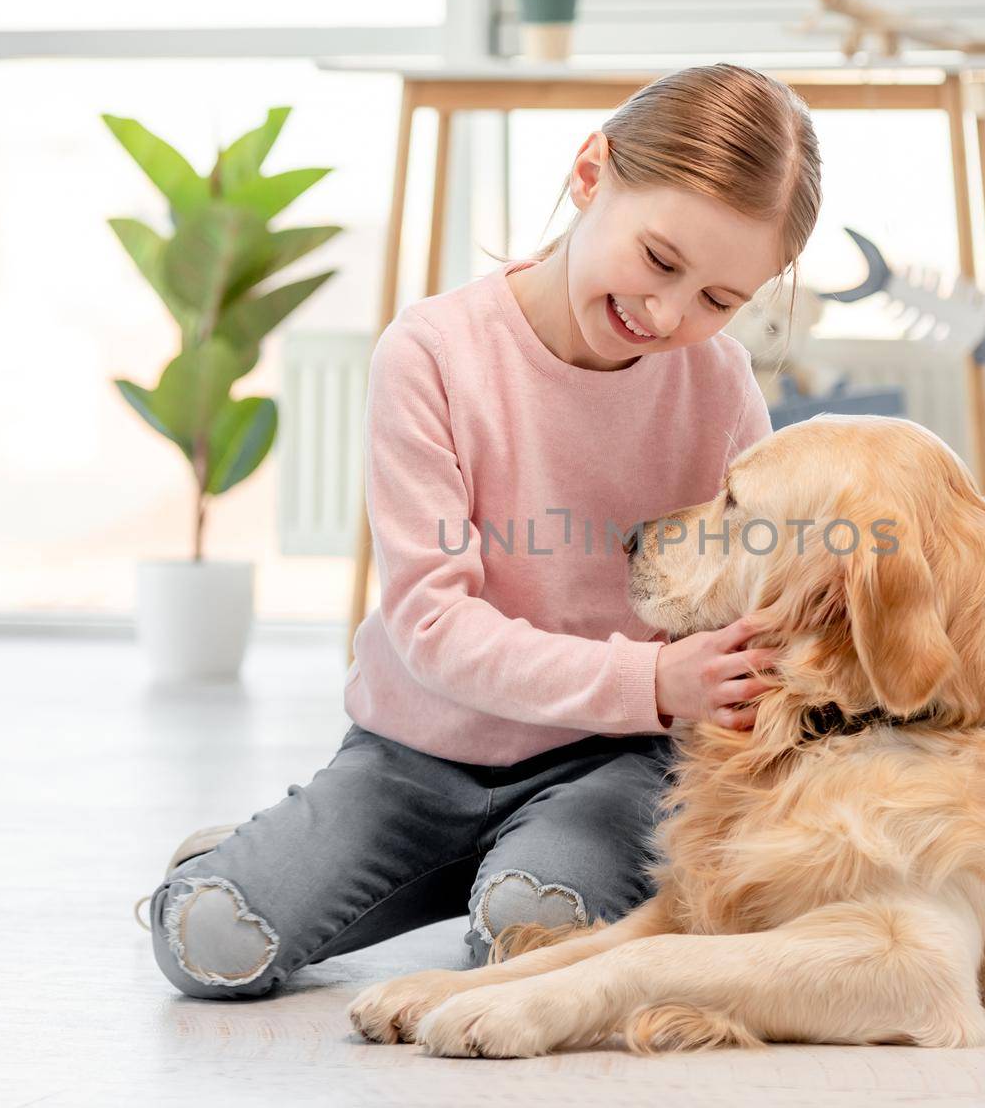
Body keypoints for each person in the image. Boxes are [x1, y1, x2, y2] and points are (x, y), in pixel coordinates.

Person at [145, 63, 823, 998]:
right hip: (414, 758)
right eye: (661, 260)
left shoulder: (720, 384)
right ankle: (323, 857)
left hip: (615, 766)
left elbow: (761, 592)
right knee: (207, 941)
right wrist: (651, 677)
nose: (670, 315)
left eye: (719, 299)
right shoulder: (431, 353)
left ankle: (500, 875)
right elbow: (432, 627)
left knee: (525, 945)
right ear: (592, 174)